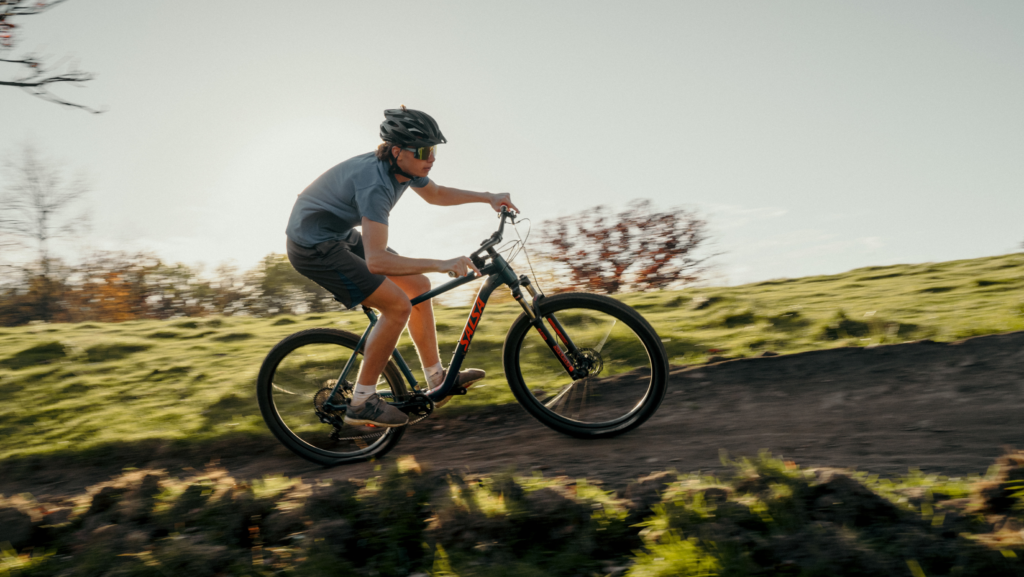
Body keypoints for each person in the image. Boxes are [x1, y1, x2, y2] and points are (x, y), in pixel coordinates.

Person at [285, 107, 518, 428]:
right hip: (312, 246)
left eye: (433, 150)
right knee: (397, 306)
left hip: (335, 234)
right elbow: (377, 260)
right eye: (423, 151)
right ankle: (362, 401)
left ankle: (437, 379)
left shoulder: (405, 168)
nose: (431, 157)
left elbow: (435, 194)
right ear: (397, 151)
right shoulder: (375, 185)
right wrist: (442, 263)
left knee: (418, 286)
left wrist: (488, 197)